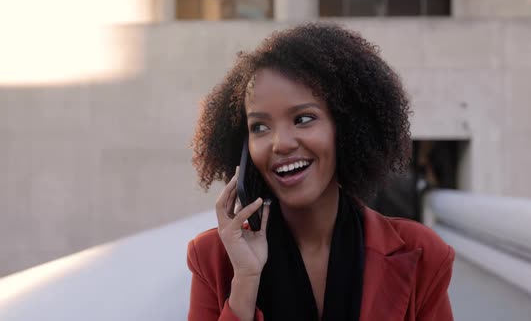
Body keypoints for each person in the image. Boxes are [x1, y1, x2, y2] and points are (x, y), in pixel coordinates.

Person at [188, 23, 454, 321]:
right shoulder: (213, 258)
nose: (281, 144)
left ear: (346, 128)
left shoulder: (421, 253)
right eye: (259, 127)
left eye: (303, 118)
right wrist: (245, 282)